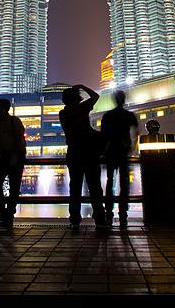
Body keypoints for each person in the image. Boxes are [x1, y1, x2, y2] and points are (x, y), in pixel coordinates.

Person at [59, 84, 106, 229]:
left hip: (73, 152)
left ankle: (74, 219)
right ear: (78, 98)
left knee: (75, 186)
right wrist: (83, 86)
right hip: (89, 152)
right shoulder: (82, 108)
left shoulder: (63, 113)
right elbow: (96, 96)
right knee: (94, 187)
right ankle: (99, 218)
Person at [101, 89, 139, 228]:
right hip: (123, 152)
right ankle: (123, 215)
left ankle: (108, 214)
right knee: (124, 185)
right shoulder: (129, 115)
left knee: (109, 182)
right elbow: (136, 132)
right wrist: (133, 147)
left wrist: (103, 150)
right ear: (124, 100)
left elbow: (103, 135)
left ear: (114, 100)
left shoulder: (108, 116)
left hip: (110, 152)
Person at [0, 99, 26, 228]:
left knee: (14, 186)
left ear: (7, 109)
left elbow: (19, 138)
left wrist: (15, 155)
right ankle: (3, 213)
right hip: (4, 155)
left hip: (16, 155)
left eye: (0, 109)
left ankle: (8, 215)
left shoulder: (14, 121)